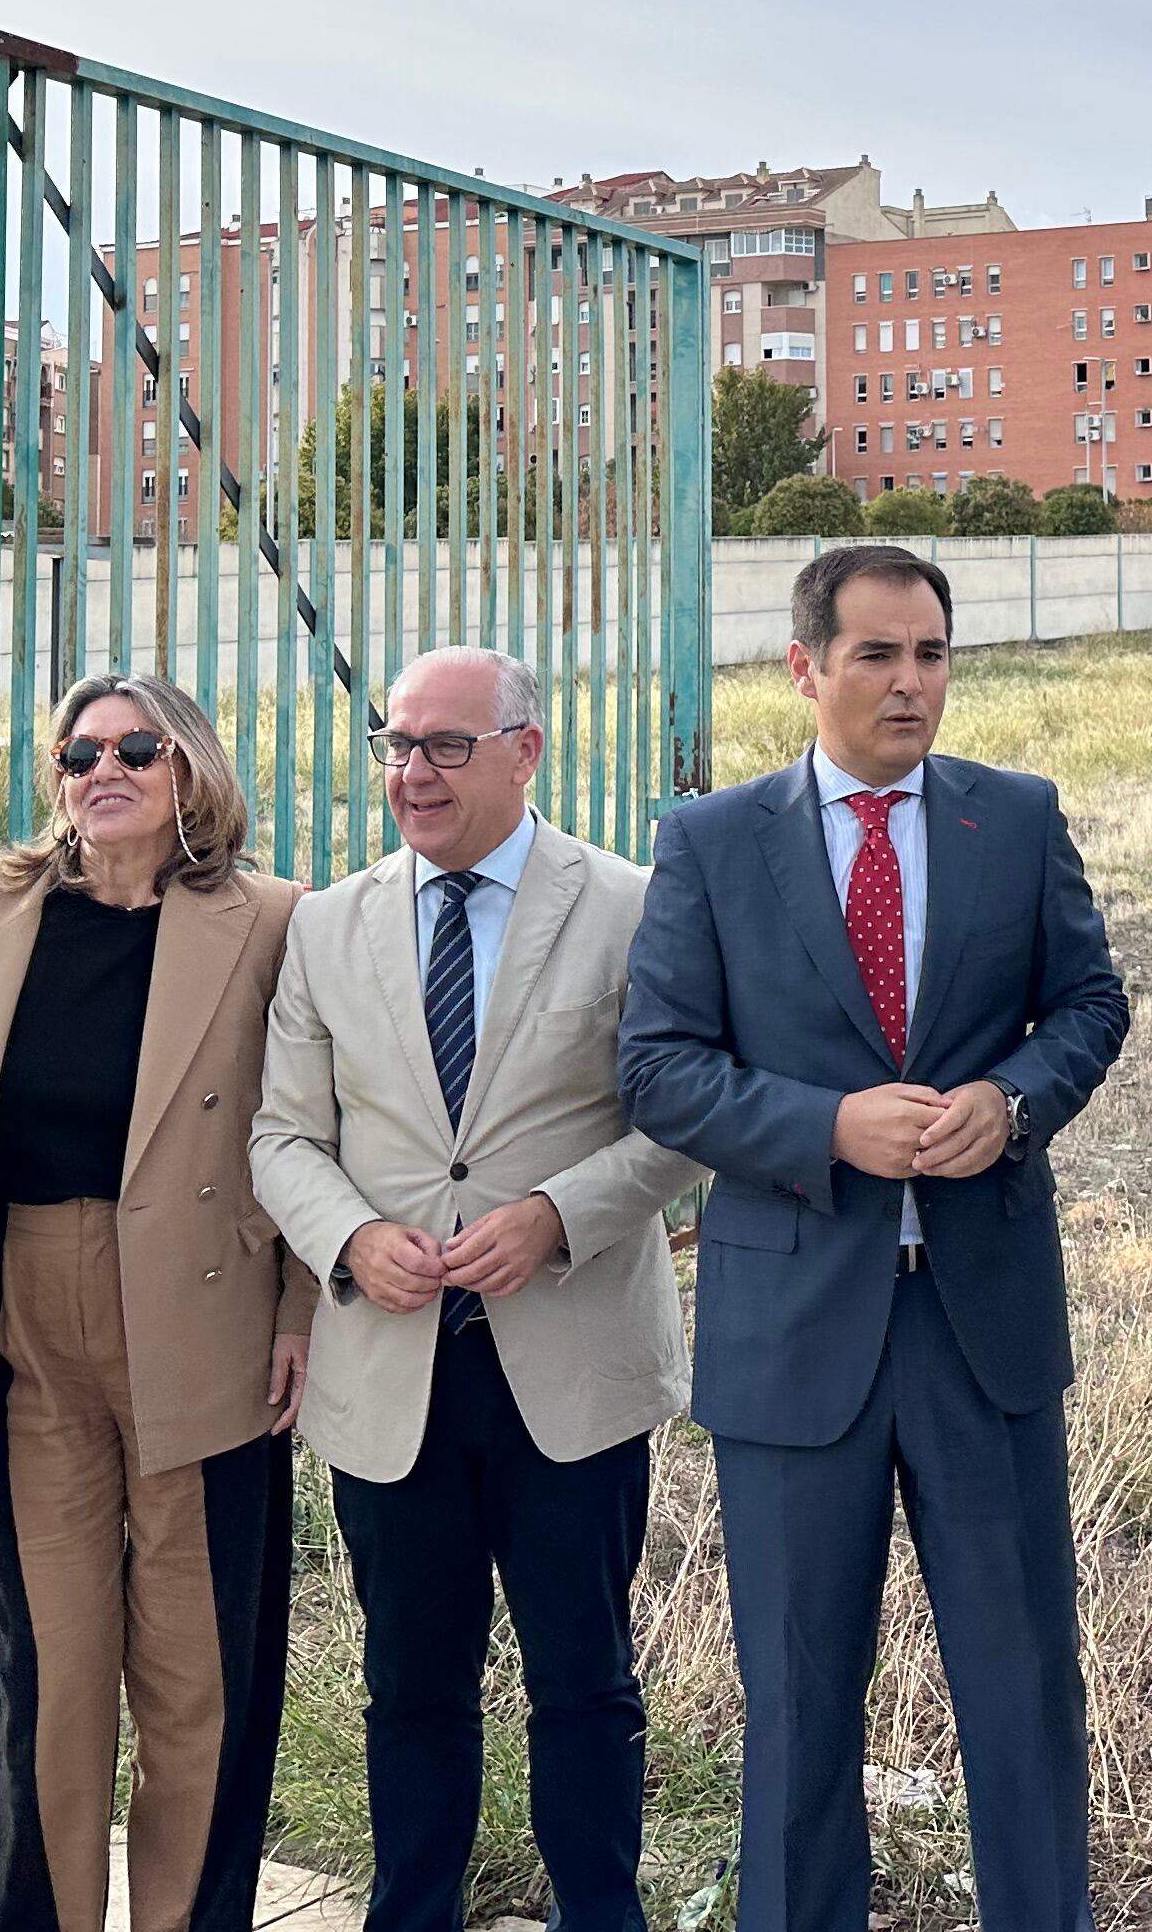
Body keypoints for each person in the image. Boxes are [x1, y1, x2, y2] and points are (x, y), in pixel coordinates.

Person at [617, 542, 1132, 1932]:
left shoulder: (1015, 819)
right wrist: (823, 1129)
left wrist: (1011, 1104)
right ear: (805, 668)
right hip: (795, 1331)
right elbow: (658, 1066)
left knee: (1023, 1686)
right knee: (794, 1700)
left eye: (932, 655)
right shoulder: (714, 843)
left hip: (983, 1333)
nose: (913, 685)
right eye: (878, 656)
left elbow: (1090, 1007)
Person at [250, 647, 707, 1932]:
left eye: (446, 745)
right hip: (391, 1368)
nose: (413, 772)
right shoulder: (329, 924)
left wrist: (560, 1214)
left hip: (568, 1368)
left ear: (525, 751)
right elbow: (283, 1135)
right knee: (411, 1687)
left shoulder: (630, 907)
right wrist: (347, 1240)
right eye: (397, 744)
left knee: (585, 1681)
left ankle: (598, 1914)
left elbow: (684, 1115)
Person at [0, 674, 309, 1932]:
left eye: (136, 748)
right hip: (24, 1328)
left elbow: (311, 1129)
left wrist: (298, 1314)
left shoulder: (272, 919)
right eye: (77, 751)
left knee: (197, 1677)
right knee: (53, 1672)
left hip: (205, 1326)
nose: (101, 769)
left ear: (192, 771)